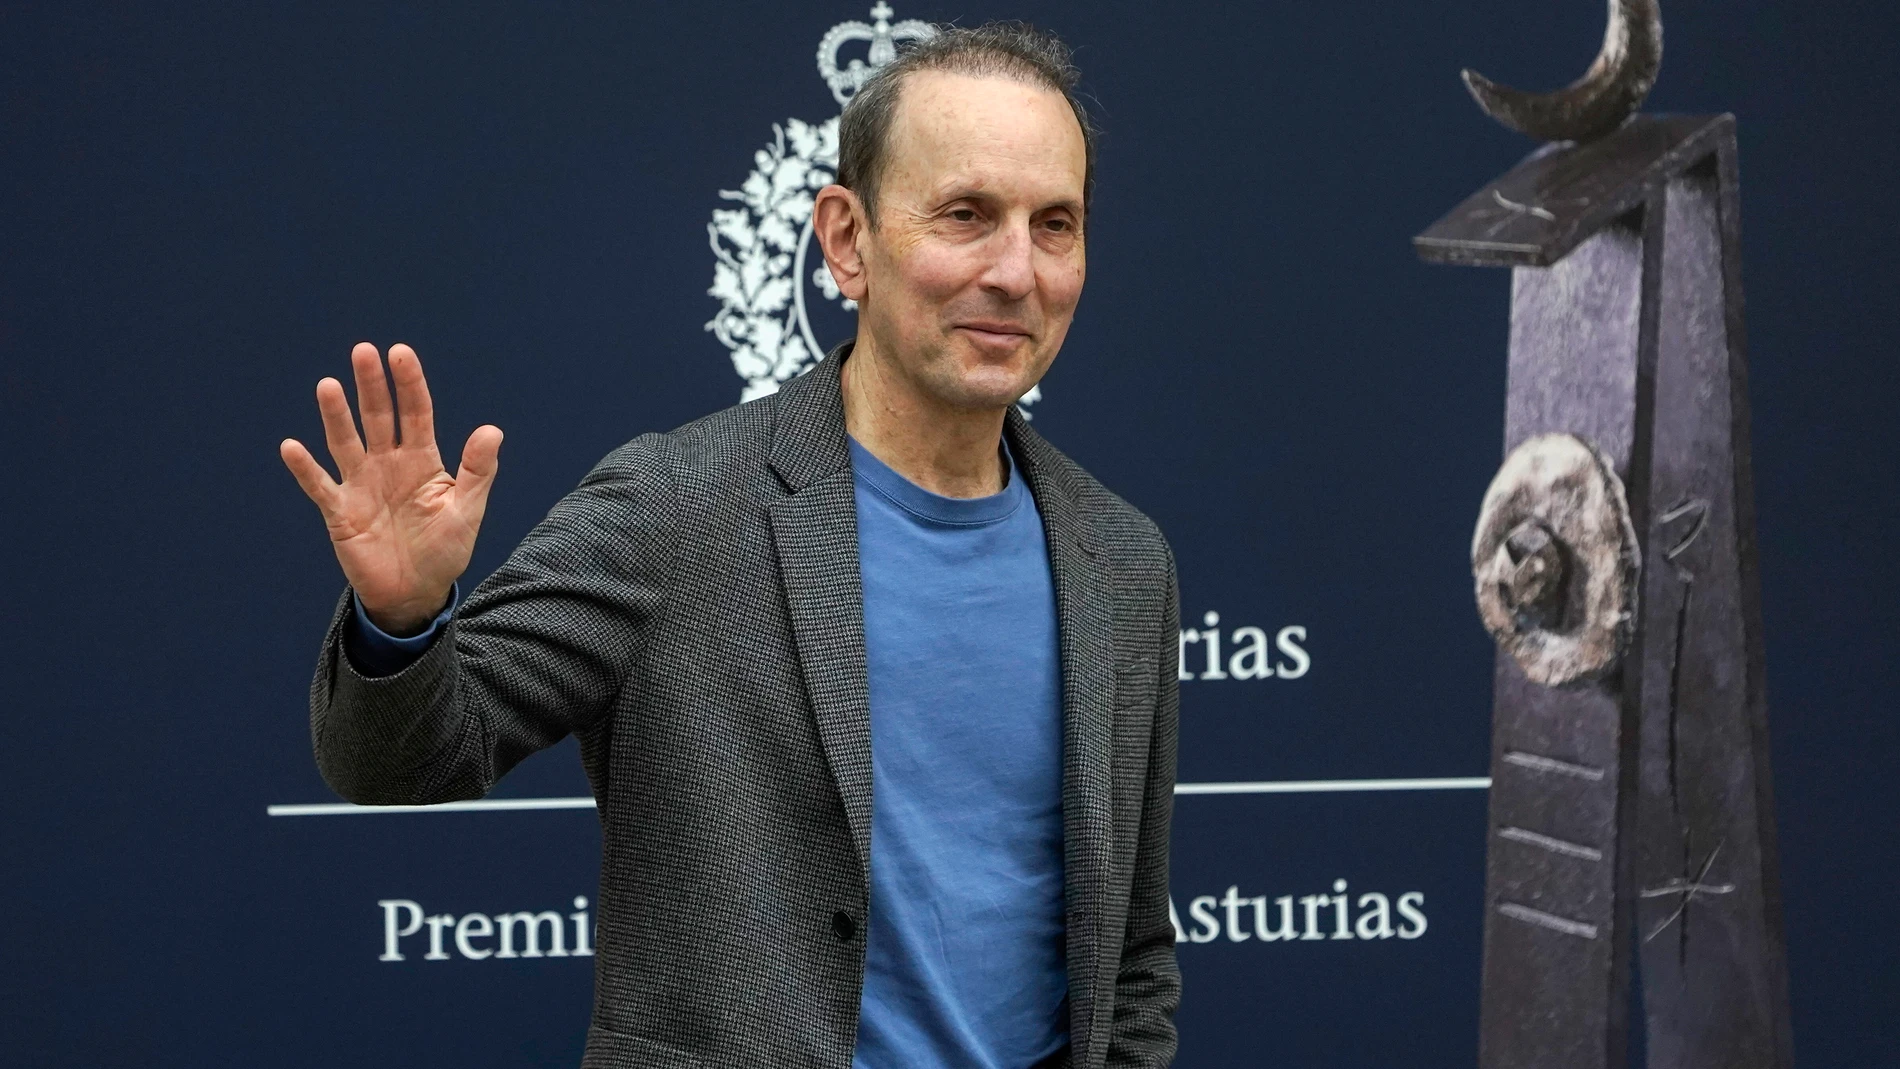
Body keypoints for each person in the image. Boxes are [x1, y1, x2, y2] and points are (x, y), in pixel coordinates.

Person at [280, 22, 1180, 1069]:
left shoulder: (1123, 560)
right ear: (845, 241)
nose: (1016, 271)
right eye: (966, 215)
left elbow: (1129, 949)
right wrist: (401, 621)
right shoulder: (678, 506)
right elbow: (406, 759)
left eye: (1055, 224)